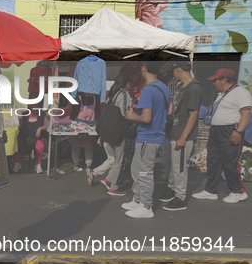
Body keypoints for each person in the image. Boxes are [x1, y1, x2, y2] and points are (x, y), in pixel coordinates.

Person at [192, 68, 251, 203]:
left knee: (230, 162)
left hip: (230, 131)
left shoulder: (240, 92)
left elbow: (246, 114)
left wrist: (239, 132)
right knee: (213, 161)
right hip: (216, 131)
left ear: (224, 80)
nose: (213, 83)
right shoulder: (222, 94)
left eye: (215, 80)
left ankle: (238, 191)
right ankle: (210, 190)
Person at [124, 55, 170, 218]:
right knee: (137, 169)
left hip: (147, 137)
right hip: (156, 136)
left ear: (143, 69)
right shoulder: (163, 88)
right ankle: (138, 200)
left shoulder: (147, 90)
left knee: (143, 173)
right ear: (160, 70)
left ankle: (146, 206)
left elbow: (146, 118)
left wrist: (132, 116)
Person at [159, 62, 203, 211]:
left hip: (183, 135)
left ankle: (181, 197)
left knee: (179, 167)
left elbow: (193, 114)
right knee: (170, 164)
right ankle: (173, 187)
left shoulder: (194, 87)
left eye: (173, 71)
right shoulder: (179, 86)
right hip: (172, 132)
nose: (172, 74)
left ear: (179, 70)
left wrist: (184, 136)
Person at [87, 74, 132, 195]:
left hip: (108, 132)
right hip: (118, 131)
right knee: (120, 160)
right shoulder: (124, 95)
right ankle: (114, 186)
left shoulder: (112, 95)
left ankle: (108, 179)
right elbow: (124, 113)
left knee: (113, 159)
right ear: (127, 84)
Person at [20, 106, 48, 174]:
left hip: (36, 138)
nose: (36, 109)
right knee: (15, 142)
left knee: (40, 146)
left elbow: (48, 125)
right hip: (25, 138)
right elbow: (18, 125)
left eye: (37, 106)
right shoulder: (23, 115)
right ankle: (16, 163)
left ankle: (38, 165)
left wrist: (40, 128)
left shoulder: (42, 115)